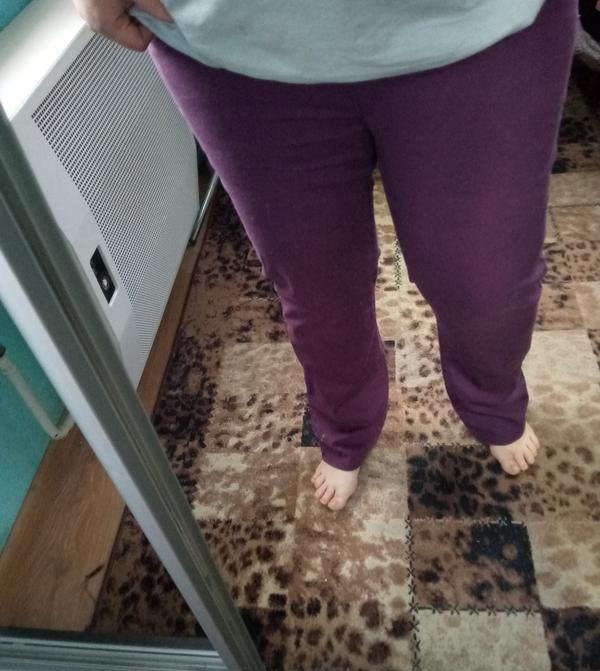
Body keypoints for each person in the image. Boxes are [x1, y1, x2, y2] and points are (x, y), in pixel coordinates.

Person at [73, 0, 579, 511]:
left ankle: (492, 400)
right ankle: (346, 426)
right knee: (316, 292)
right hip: (234, 42)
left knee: (489, 283)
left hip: (486, 25)